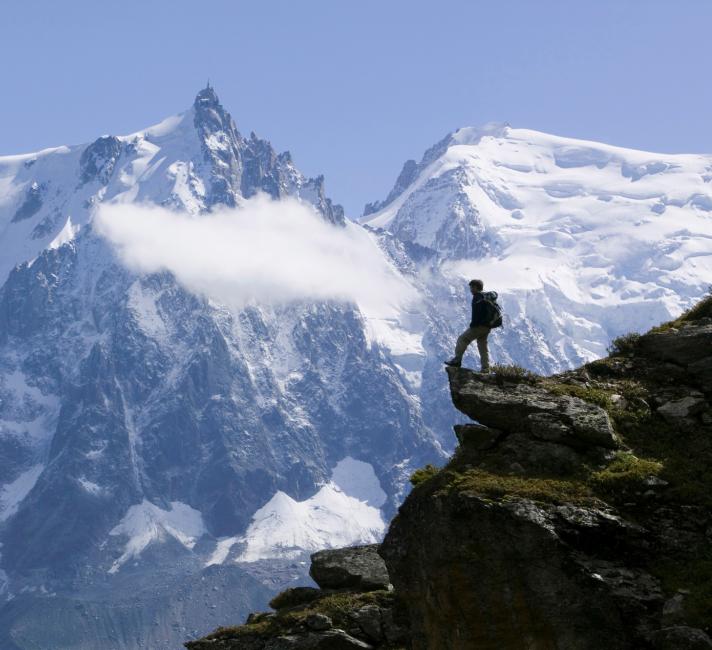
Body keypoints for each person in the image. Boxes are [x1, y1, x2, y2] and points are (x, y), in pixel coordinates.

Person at [445, 279, 493, 372]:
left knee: (462, 339)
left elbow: (477, 313)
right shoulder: (485, 297)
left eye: (472, 287)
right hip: (487, 327)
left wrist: (473, 324)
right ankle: (486, 368)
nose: (470, 289)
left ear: (476, 287)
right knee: (482, 346)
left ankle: (457, 361)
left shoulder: (477, 297)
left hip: (479, 326)